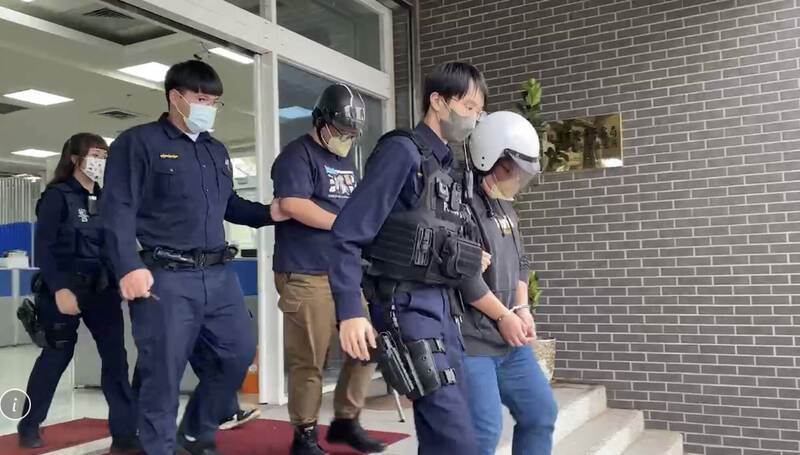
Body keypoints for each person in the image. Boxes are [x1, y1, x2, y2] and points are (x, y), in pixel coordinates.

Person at [101, 60, 279, 455]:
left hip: (218, 276)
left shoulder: (216, 151)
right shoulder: (139, 143)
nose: (208, 108)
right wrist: (128, 265)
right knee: (162, 375)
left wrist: (270, 213)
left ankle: (196, 432)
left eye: (214, 102)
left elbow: (229, 204)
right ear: (175, 98)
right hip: (166, 277)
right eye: (201, 99)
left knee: (237, 354)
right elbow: (117, 209)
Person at [327, 62, 487, 455]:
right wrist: (350, 311)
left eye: (478, 111)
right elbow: (347, 234)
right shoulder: (401, 152)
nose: (473, 118)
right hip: (406, 307)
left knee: (447, 430)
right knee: (456, 439)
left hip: (444, 310)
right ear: (438, 102)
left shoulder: (448, 167)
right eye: (468, 107)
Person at [271, 83, 387, 455]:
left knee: (367, 346)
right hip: (305, 272)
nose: (346, 138)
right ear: (320, 121)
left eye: (352, 133)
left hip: (344, 273)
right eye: (340, 131)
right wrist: (343, 226)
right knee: (310, 358)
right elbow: (291, 204)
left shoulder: (345, 161)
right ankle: (304, 436)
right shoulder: (296, 156)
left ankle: (345, 422)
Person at [18, 133, 139, 453]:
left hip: (103, 290)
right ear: (74, 158)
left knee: (116, 360)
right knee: (56, 357)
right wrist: (60, 288)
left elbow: (114, 243)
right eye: (95, 155)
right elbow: (43, 248)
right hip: (64, 289)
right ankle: (29, 424)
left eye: (104, 156)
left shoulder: (106, 198)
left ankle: (125, 434)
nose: (100, 162)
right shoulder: (57, 196)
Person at [459, 111, 558, 454]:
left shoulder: (505, 206)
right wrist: (503, 316)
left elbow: (520, 261)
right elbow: (464, 276)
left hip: (509, 338)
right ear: (489, 158)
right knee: (483, 434)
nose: (517, 178)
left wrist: (522, 308)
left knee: (540, 412)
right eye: (512, 169)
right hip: (471, 341)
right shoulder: (461, 204)